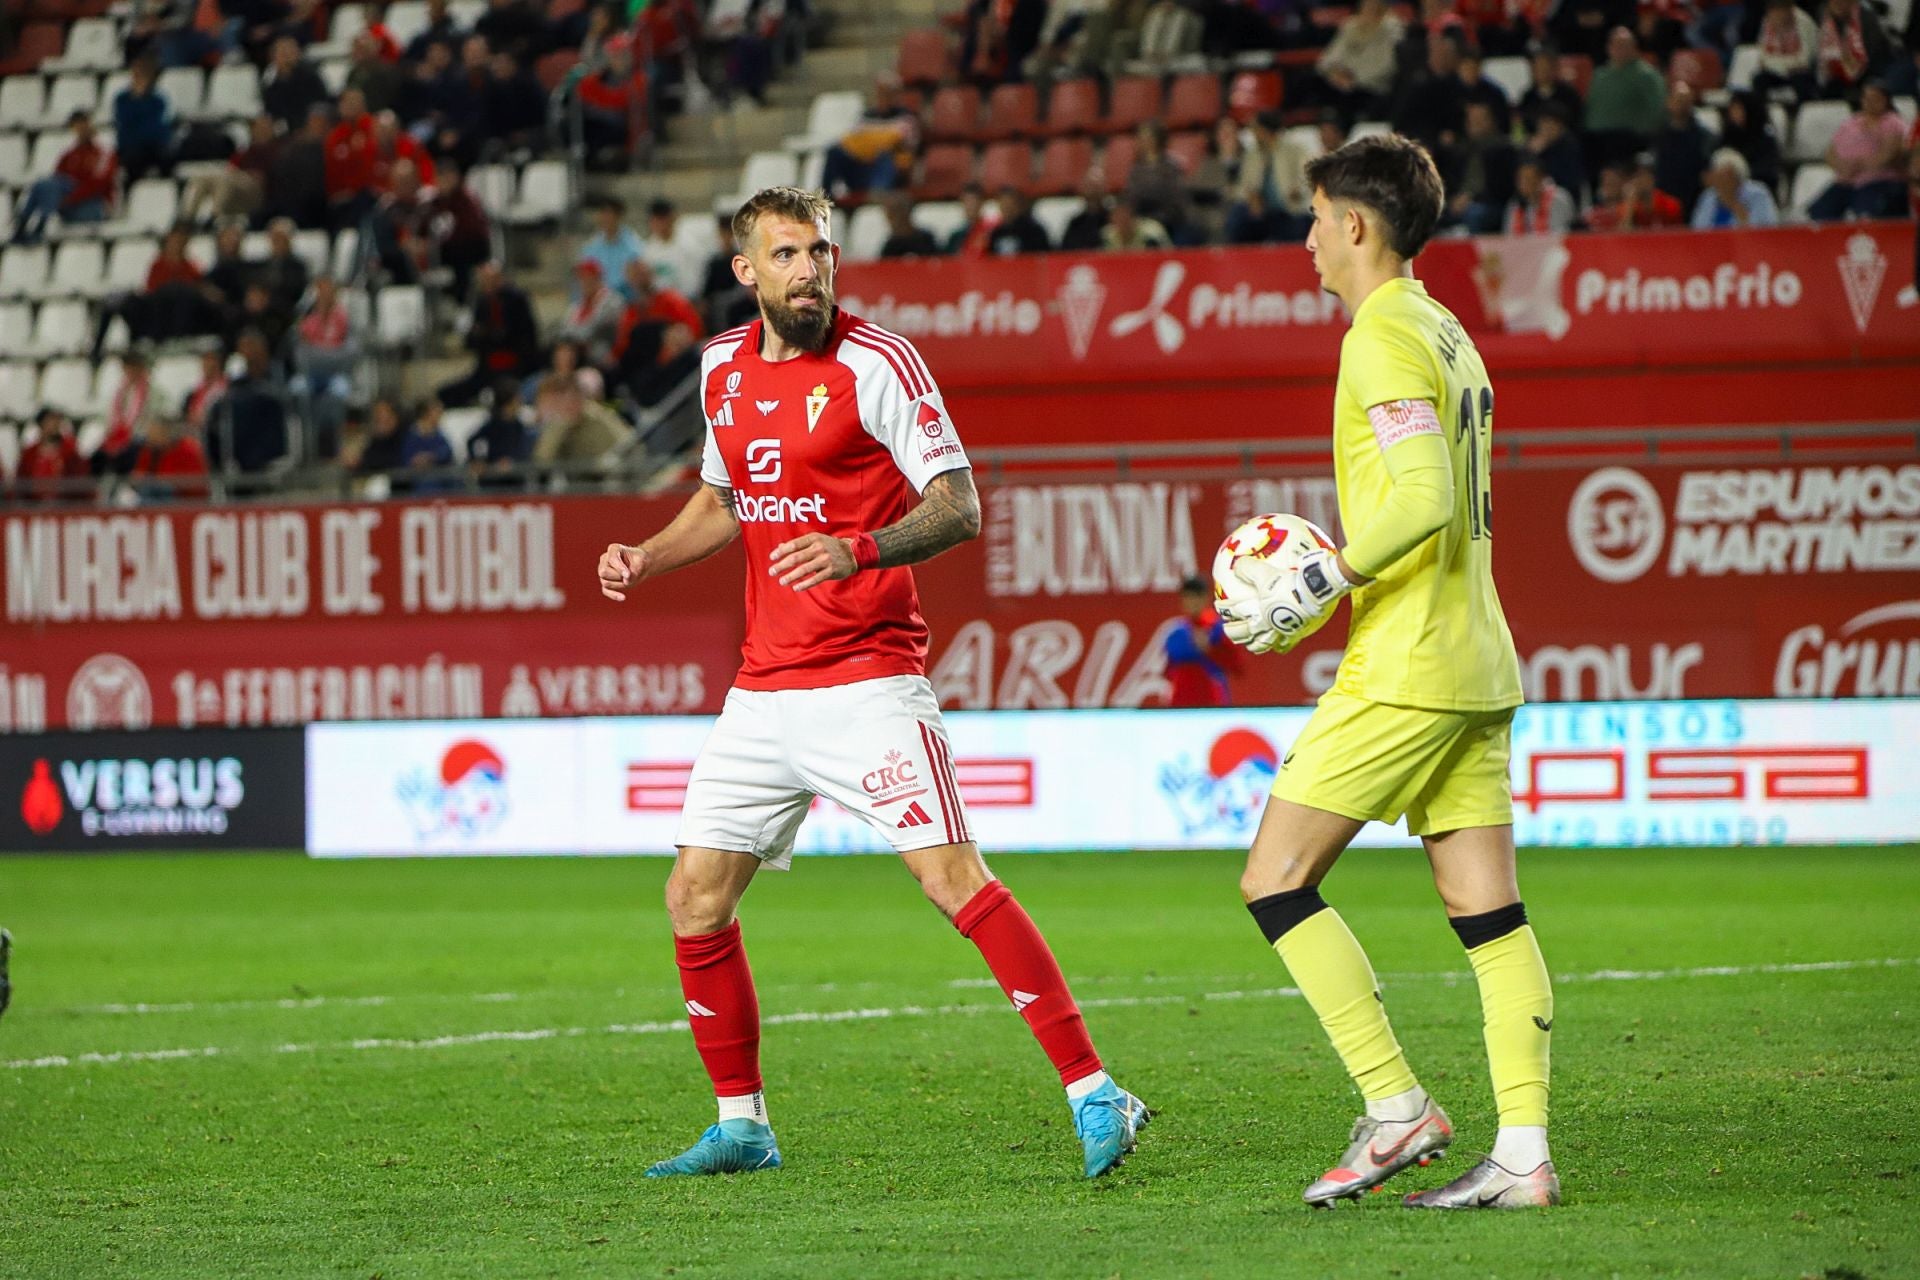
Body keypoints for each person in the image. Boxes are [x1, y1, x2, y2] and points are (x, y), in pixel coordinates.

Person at [596, 185, 1148, 1181]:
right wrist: (648, 553)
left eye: (819, 251)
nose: (809, 269)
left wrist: (861, 548)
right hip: (763, 690)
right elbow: (726, 501)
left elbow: (961, 505)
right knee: (695, 894)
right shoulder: (721, 366)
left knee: (953, 880)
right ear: (746, 272)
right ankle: (743, 1126)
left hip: (868, 679)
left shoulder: (878, 362)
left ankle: (1095, 1088)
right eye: (787, 254)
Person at [1216, 134, 1552, 1211]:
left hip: (1407, 662)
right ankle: (1524, 1155)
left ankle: (1397, 1105)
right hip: (1477, 656)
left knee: (1274, 875)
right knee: (1488, 913)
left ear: (1355, 224)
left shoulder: (1380, 334)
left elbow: (1424, 497)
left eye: (1315, 218)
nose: (1308, 240)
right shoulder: (1449, 331)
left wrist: (1326, 574)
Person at [440, 261, 540, 406]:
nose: (488, 284)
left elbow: (519, 336)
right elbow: (471, 339)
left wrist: (488, 334)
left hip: (515, 366)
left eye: (492, 279)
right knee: (447, 394)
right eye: (485, 280)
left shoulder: (517, 300)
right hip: (487, 367)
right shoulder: (481, 303)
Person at [1809, 81, 1911, 220]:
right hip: (1846, 180)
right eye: (1866, 98)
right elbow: (1830, 152)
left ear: (1886, 100)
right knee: (1820, 212)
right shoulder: (1852, 121)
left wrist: (1860, 166)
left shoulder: (1893, 122)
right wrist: (1842, 166)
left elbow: (1889, 153)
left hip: (1880, 180)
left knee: (1866, 212)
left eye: (1875, 98)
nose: (1870, 102)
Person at [12, 113, 118, 245]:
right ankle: (25, 224)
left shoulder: (103, 153)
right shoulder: (69, 155)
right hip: (70, 205)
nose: (81, 130)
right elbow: (57, 179)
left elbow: (98, 184)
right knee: (41, 185)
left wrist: (66, 200)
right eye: (77, 127)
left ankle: (38, 224)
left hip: (95, 207)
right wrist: (63, 200)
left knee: (49, 185)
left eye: (83, 125)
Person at [1584, 27, 1667, 171]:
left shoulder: (1647, 76)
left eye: (1623, 45)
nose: (1618, 49)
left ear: (1634, 48)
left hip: (1629, 139)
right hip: (1595, 139)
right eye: (1614, 45)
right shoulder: (1600, 75)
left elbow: (1658, 108)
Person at [1162, 575, 1240, 707]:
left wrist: (1210, 649)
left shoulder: (1219, 629)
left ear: (1205, 598)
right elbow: (1168, 670)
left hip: (1212, 701)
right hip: (1181, 702)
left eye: (1196, 597)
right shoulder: (1176, 633)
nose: (1192, 602)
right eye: (1188, 597)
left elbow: (1237, 666)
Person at [1317, 0, 1405, 116]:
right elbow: (1327, 60)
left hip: (1373, 88)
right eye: (1366, 6)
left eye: (1374, 6)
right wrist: (1335, 73)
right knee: (1311, 83)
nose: (1369, 10)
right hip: (1343, 84)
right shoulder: (1351, 26)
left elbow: (1388, 66)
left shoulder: (1392, 28)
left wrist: (1354, 81)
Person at [1652, 83, 1715, 214]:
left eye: (1687, 101)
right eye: (1679, 100)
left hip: (1695, 200)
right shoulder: (1658, 136)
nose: (1683, 105)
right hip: (1666, 202)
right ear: (1669, 103)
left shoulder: (1704, 136)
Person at [113, 56, 175, 183]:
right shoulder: (122, 99)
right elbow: (126, 123)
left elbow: (157, 127)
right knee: (132, 159)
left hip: (153, 145)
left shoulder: (158, 100)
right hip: (132, 146)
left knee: (168, 157)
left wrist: (140, 105)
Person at [1691, 147, 1781, 227]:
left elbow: (1766, 229)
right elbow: (1698, 229)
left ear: (1737, 176)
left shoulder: (1758, 194)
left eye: (1726, 176)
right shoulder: (1708, 196)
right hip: (1712, 244)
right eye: (1718, 175)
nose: (1722, 181)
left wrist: (1733, 203)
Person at [1753, 0, 1820, 101]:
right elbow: (1763, 58)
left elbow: (1805, 59)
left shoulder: (1803, 22)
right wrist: (1783, 64)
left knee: (1800, 80)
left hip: (1803, 72)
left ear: (1789, 10)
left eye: (1780, 11)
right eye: (1773, 12)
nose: (1777, 16)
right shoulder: (1767, 21)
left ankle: (1802, 112)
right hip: (1780, 71)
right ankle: (1763, 112)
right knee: (1759, 79)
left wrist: (1776, 62)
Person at [1505, 153, 1574, 231]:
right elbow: (1508, 236)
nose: (1523, 184)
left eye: (1529, 179)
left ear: (1541, 179)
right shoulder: (1515, 204)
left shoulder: (1558, 199)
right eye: (1520, 179)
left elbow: (1560, 234)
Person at [986, 186, 1053, 254]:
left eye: (1010, 204)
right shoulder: (996, 233)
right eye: (1004, 204)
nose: (1007, 209)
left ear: (1018, 205)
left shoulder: (1034, 231)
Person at [878, 193, 939, 257]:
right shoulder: (891, 245)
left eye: (895, 214)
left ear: (907, 213)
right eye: (889, 216)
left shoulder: (926, 240)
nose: (890, 220)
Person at [1102, 194, 1170, 249]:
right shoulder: (1107, 236)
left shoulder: (1151, 233)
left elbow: (1167, 258)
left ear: (1132, 216)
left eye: (1124, 215)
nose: (1120, 219)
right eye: (1116, 215)